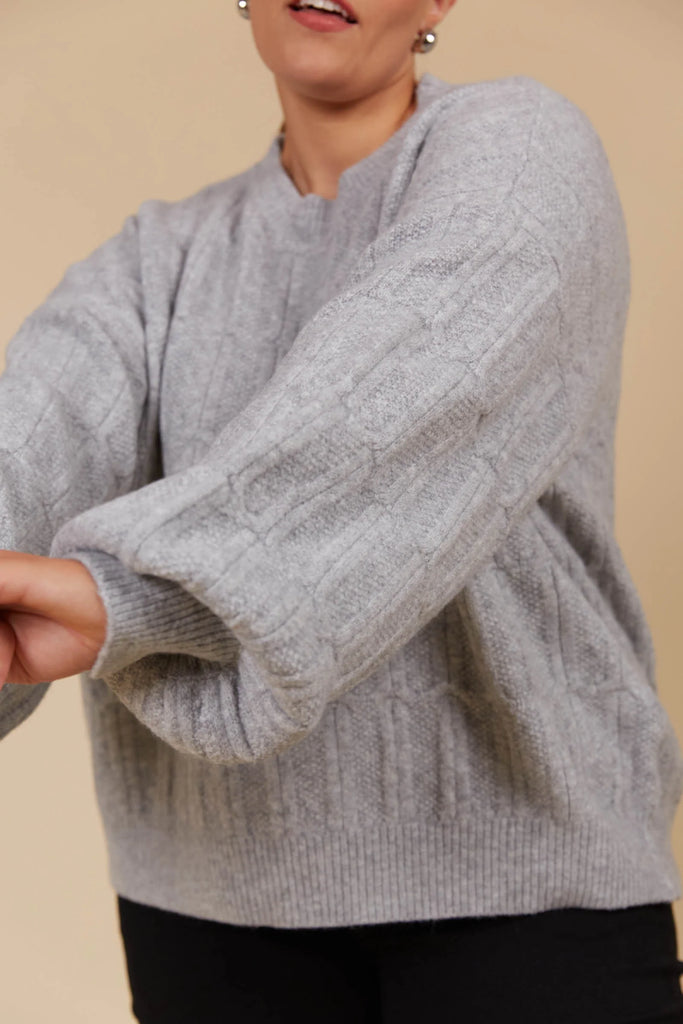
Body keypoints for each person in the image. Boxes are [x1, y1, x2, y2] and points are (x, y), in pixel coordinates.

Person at [1, 0, 683, 1021]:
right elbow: (35, 429)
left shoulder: (518, 148)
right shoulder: (157, 257)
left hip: (527, 901)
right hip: (208, 911)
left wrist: (125, 597)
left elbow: (388, 410)